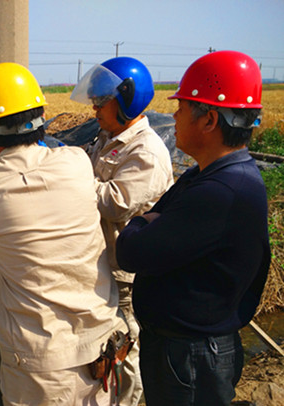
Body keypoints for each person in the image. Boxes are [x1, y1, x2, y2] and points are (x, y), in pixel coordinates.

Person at [0, 62, 128, 405]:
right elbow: (21, 187)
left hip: (43, 369)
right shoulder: (77, 162)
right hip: (103, 347)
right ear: (42, 117)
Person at [115, 50, 271, 406]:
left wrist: (140, 221)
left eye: (182, 108)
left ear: (209, 120)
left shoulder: (222, 190)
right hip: (183, 350)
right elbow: (154, 223)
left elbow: (131, 251)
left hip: (192, 358)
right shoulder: (204, 176)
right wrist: (150, 221)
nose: (173, 116)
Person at [70, 56, 174, 406]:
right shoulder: (107, 137)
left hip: (126, 272)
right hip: (103, 263)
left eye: (102, 101)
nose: (95, 108)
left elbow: (115, 203)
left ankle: (128, 402)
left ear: (127, 100)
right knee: (107, 344)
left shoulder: (146, 152)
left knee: (125, 346)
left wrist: (69, 180)